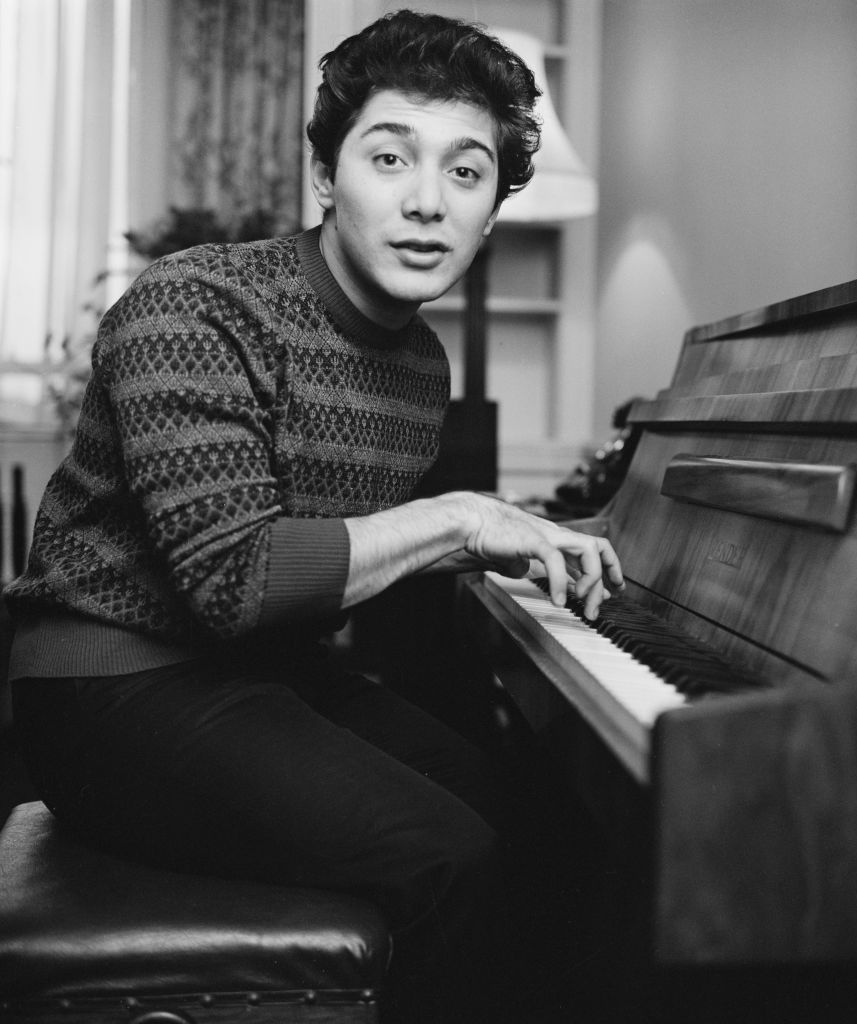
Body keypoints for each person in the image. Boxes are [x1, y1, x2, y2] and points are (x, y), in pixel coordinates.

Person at [3, 9, 623, 1023]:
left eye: (465, 174)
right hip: (105, 695)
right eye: (390, 158)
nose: (426, 202)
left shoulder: (420, 366)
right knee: (450, 856)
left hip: (262, 678)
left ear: (491, 208)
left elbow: (327, 544)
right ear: (330, 176)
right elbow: (237, 578)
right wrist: (461, 523)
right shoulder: (193, 305)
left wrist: (527, 545)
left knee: (532, 810)